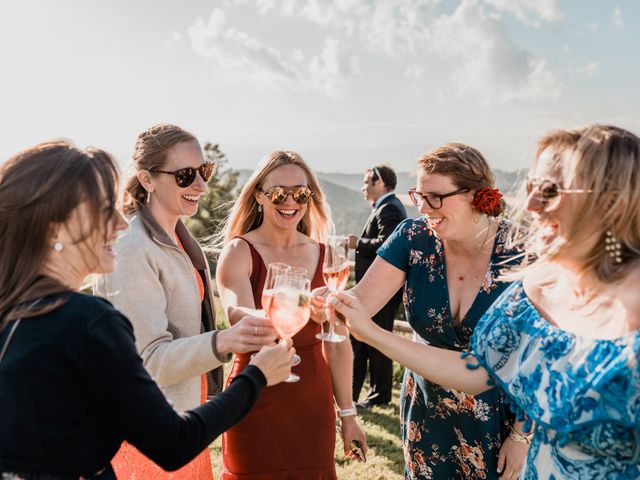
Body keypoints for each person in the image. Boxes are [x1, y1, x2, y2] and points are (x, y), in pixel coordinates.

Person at [332, 125, 640, 479]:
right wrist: (367, 331)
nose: (531, 205)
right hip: (433, 420)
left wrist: (520, 435)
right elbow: (479, 370)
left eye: (550, 191)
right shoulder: (538, 286)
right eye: (531, 188)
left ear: (613, 201)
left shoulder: (522, 258)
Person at [0, 141, 294, 480]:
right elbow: (173, 444)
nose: (120, 224)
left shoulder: (15, 308)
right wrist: (255, 376)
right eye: (103, 210)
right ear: (55, 227)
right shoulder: (88, 321)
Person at [320, 144, 528, 479]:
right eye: (419, 196)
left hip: (503, 420)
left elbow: (536, 356)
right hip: (427, 415)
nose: (424, 208)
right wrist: (328, 303)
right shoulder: (413, 237)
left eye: (435, 197)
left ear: (476, 195)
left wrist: (521, 436)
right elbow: (358, 304)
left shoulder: (522, 250)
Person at [96, 124, 279, 479]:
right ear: (147, 180)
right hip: (146, 437)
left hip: (179, 422)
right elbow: (147, 361)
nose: (201, 185)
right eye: (185, 176)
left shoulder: (176, 236)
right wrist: (226, 340)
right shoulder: (133, 249)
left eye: (204, 171)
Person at [215, 150, 368, 479]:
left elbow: (338, 343)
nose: (290, 201)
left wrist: (348, 414)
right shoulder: (239, 252)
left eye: (300, 193)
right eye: (277, 193)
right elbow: (237, 317)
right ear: (259, 196)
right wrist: (300, 308)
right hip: (254, 394)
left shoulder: (327, 256)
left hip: (312, 400)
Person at [347, 164, 407, 408]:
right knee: (367, 339)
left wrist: (358, 243)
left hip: (382, 288)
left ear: (379, 183)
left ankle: (375, 395)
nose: (362, 187)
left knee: (373, 339)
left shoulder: (389, 208)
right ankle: (357, 394)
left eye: (366, 182)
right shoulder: (388, 207)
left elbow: (387, 244)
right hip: (381, 288)